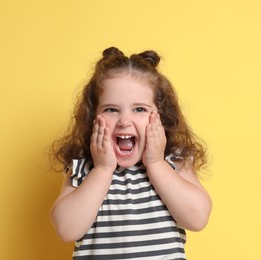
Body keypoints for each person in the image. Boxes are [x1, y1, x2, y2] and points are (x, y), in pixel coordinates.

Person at [50, 47, 212, 259]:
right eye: (111, 109)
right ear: (92, 117)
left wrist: (155, 163)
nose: (124, 121)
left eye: (139, 109)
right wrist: (102, 169)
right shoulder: (84, 168)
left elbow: (197, 219)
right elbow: (66, 229)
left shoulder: (173, 161)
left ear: (161, 117)